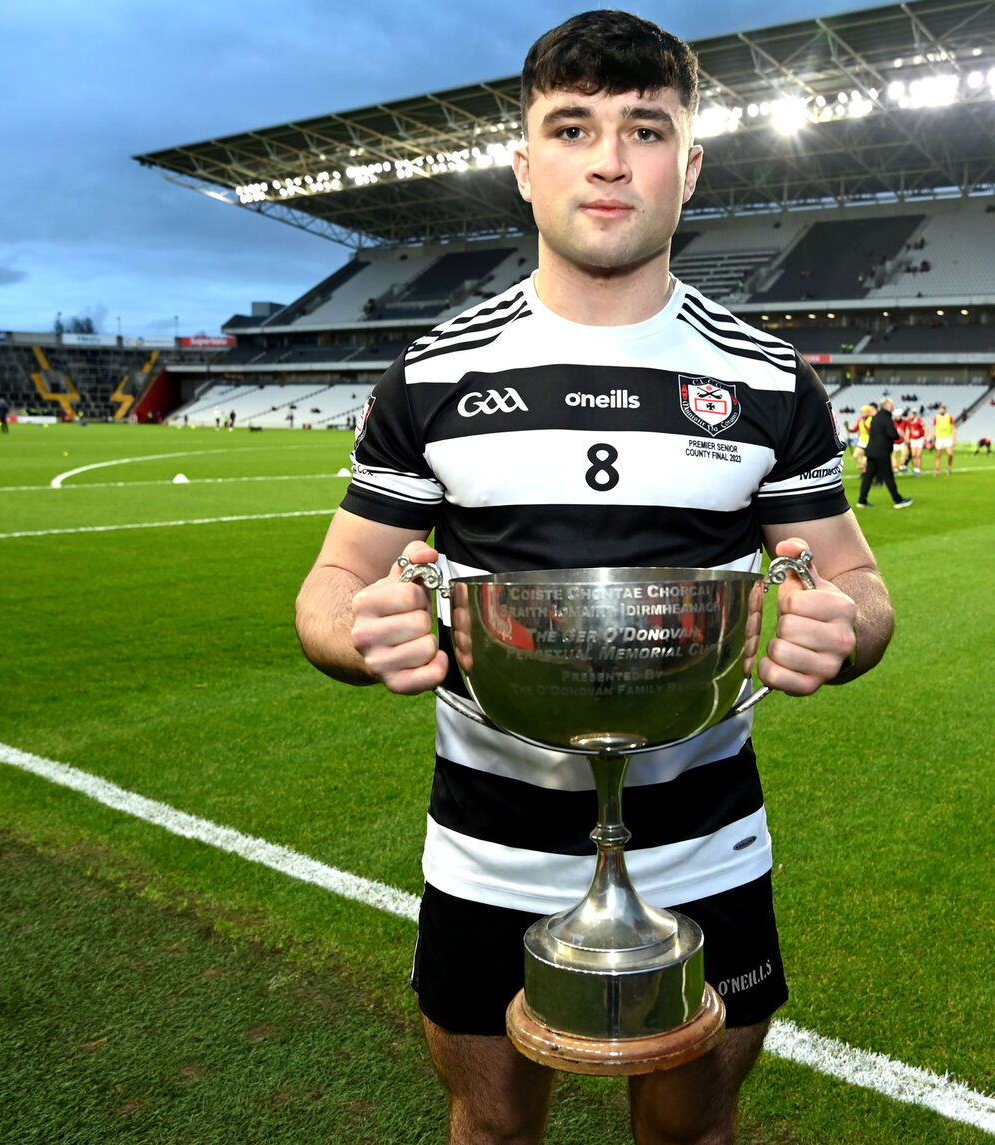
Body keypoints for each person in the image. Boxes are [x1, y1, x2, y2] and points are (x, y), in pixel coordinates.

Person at [295, 12, 895, 1144]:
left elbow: (858, 582)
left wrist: (842, 626)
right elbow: (333, 581)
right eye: (572, 128)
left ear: (692, 164)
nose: (611, 158)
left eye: (645, 129)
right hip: (486, 846)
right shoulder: (433, 370)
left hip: (705, 845)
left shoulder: (769, 377)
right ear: (525, 166)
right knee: (490, 1124)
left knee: (690, 1130)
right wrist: (357, 627)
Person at [856, 399, 913, 510]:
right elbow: (892, 434)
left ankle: (861, 501)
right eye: (892, 404)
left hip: (871, 451)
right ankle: (898, 500)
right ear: (888, 406)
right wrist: (899, 434)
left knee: (868, 477)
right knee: (888, 476)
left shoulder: (874, 418)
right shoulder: (887, 419)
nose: (893, 406)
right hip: (881, 452)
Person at [932, 404, 955, 475]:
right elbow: (934, 428)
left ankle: (949, 466)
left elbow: (953, 428)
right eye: (940, 409)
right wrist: (933, 438)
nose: (941, 410)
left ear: (945, 410)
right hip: (939, 438)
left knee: (950, 454)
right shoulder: (936, 418)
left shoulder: (949, 417)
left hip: (947, 438)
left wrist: (954, 438)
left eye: (942, 409)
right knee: (938, 455)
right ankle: (937, 470)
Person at [907, 409, 926, 475]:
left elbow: (926, 429)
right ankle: (915, 469)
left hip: (920, 439)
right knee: (913, 455)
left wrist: (925, 439)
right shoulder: (908, 421)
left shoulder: (919, 421)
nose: (909, 416)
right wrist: (907, 438)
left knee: (918, 455)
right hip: (913, 439)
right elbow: (908, 430)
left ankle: (919, 469)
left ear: (914, 415)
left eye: (911, 414)